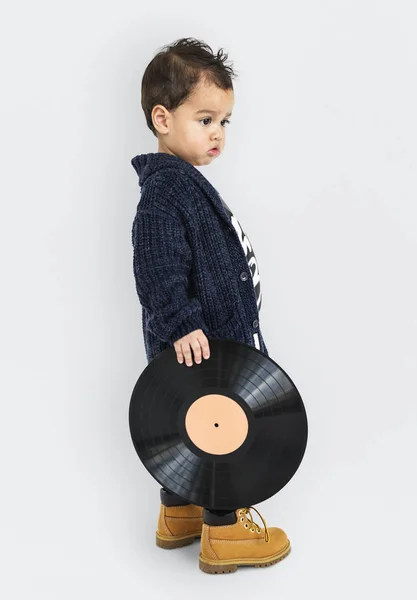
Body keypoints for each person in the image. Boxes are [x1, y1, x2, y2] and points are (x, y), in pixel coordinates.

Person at [130, 37, 291, 574]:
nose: (218, 133)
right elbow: (158, 268)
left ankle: (178, 514)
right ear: (162, 119)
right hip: (203, 345)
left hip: (212, 341)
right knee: (222, 431)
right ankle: (224, 533)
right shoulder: (164, 193)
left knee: (188, 429)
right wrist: (181, 324)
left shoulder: (185, 184)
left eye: (225, 122)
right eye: (205, 119)